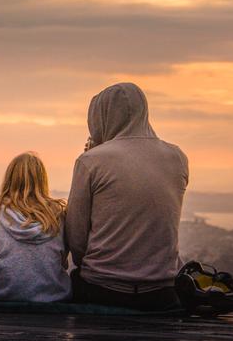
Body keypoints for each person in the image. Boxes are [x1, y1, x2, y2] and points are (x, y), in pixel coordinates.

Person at [65, 82, 189, 311]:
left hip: (102, 290)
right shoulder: (177, 157)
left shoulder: (90, 161)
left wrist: (95, 151)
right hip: (162, 292)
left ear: (99, 118)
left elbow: (76, 237)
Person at [0, 151, 72, 302]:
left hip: (5, 297)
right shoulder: (58, 216)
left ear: (9, 179)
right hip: (54, 300)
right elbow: (62, 257)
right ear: (42, 180)